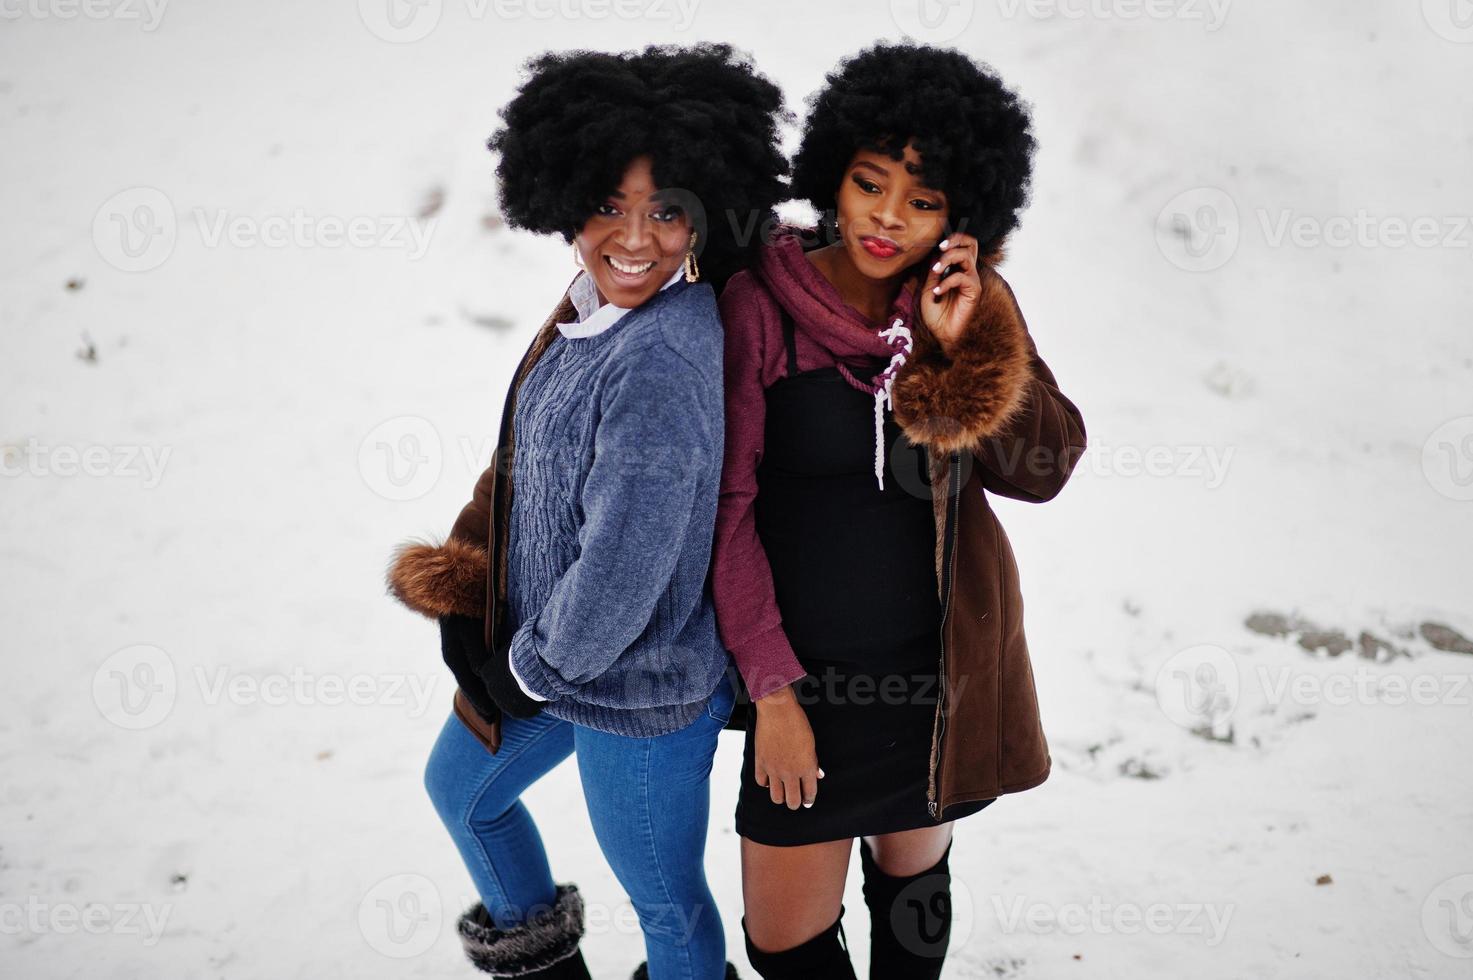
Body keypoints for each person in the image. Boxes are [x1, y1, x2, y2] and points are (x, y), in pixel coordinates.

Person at [386, 43, 787, 980]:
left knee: (664, 905)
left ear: (702, 218)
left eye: (666, 212)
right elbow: (530, 467)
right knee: (464, 791)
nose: (635, 238)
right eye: (608, 205)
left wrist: (521, 673)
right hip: (560, 660)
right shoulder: (588, 310)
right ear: (560, 196)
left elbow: (623, 564)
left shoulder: (659, 359)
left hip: (637, 691)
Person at [711, 41, 1088, 979]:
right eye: (868, 184)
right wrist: (773, 695)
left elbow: (1041, 468)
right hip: (803, 684)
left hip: (936, 672)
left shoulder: (963, 302)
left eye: (921, 201)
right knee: (784, 943)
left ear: (960, 217)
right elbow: (727, 510)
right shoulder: (760, 304)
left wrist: (965, 350)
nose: (887, 218)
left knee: (913, 893)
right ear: (830, 178)